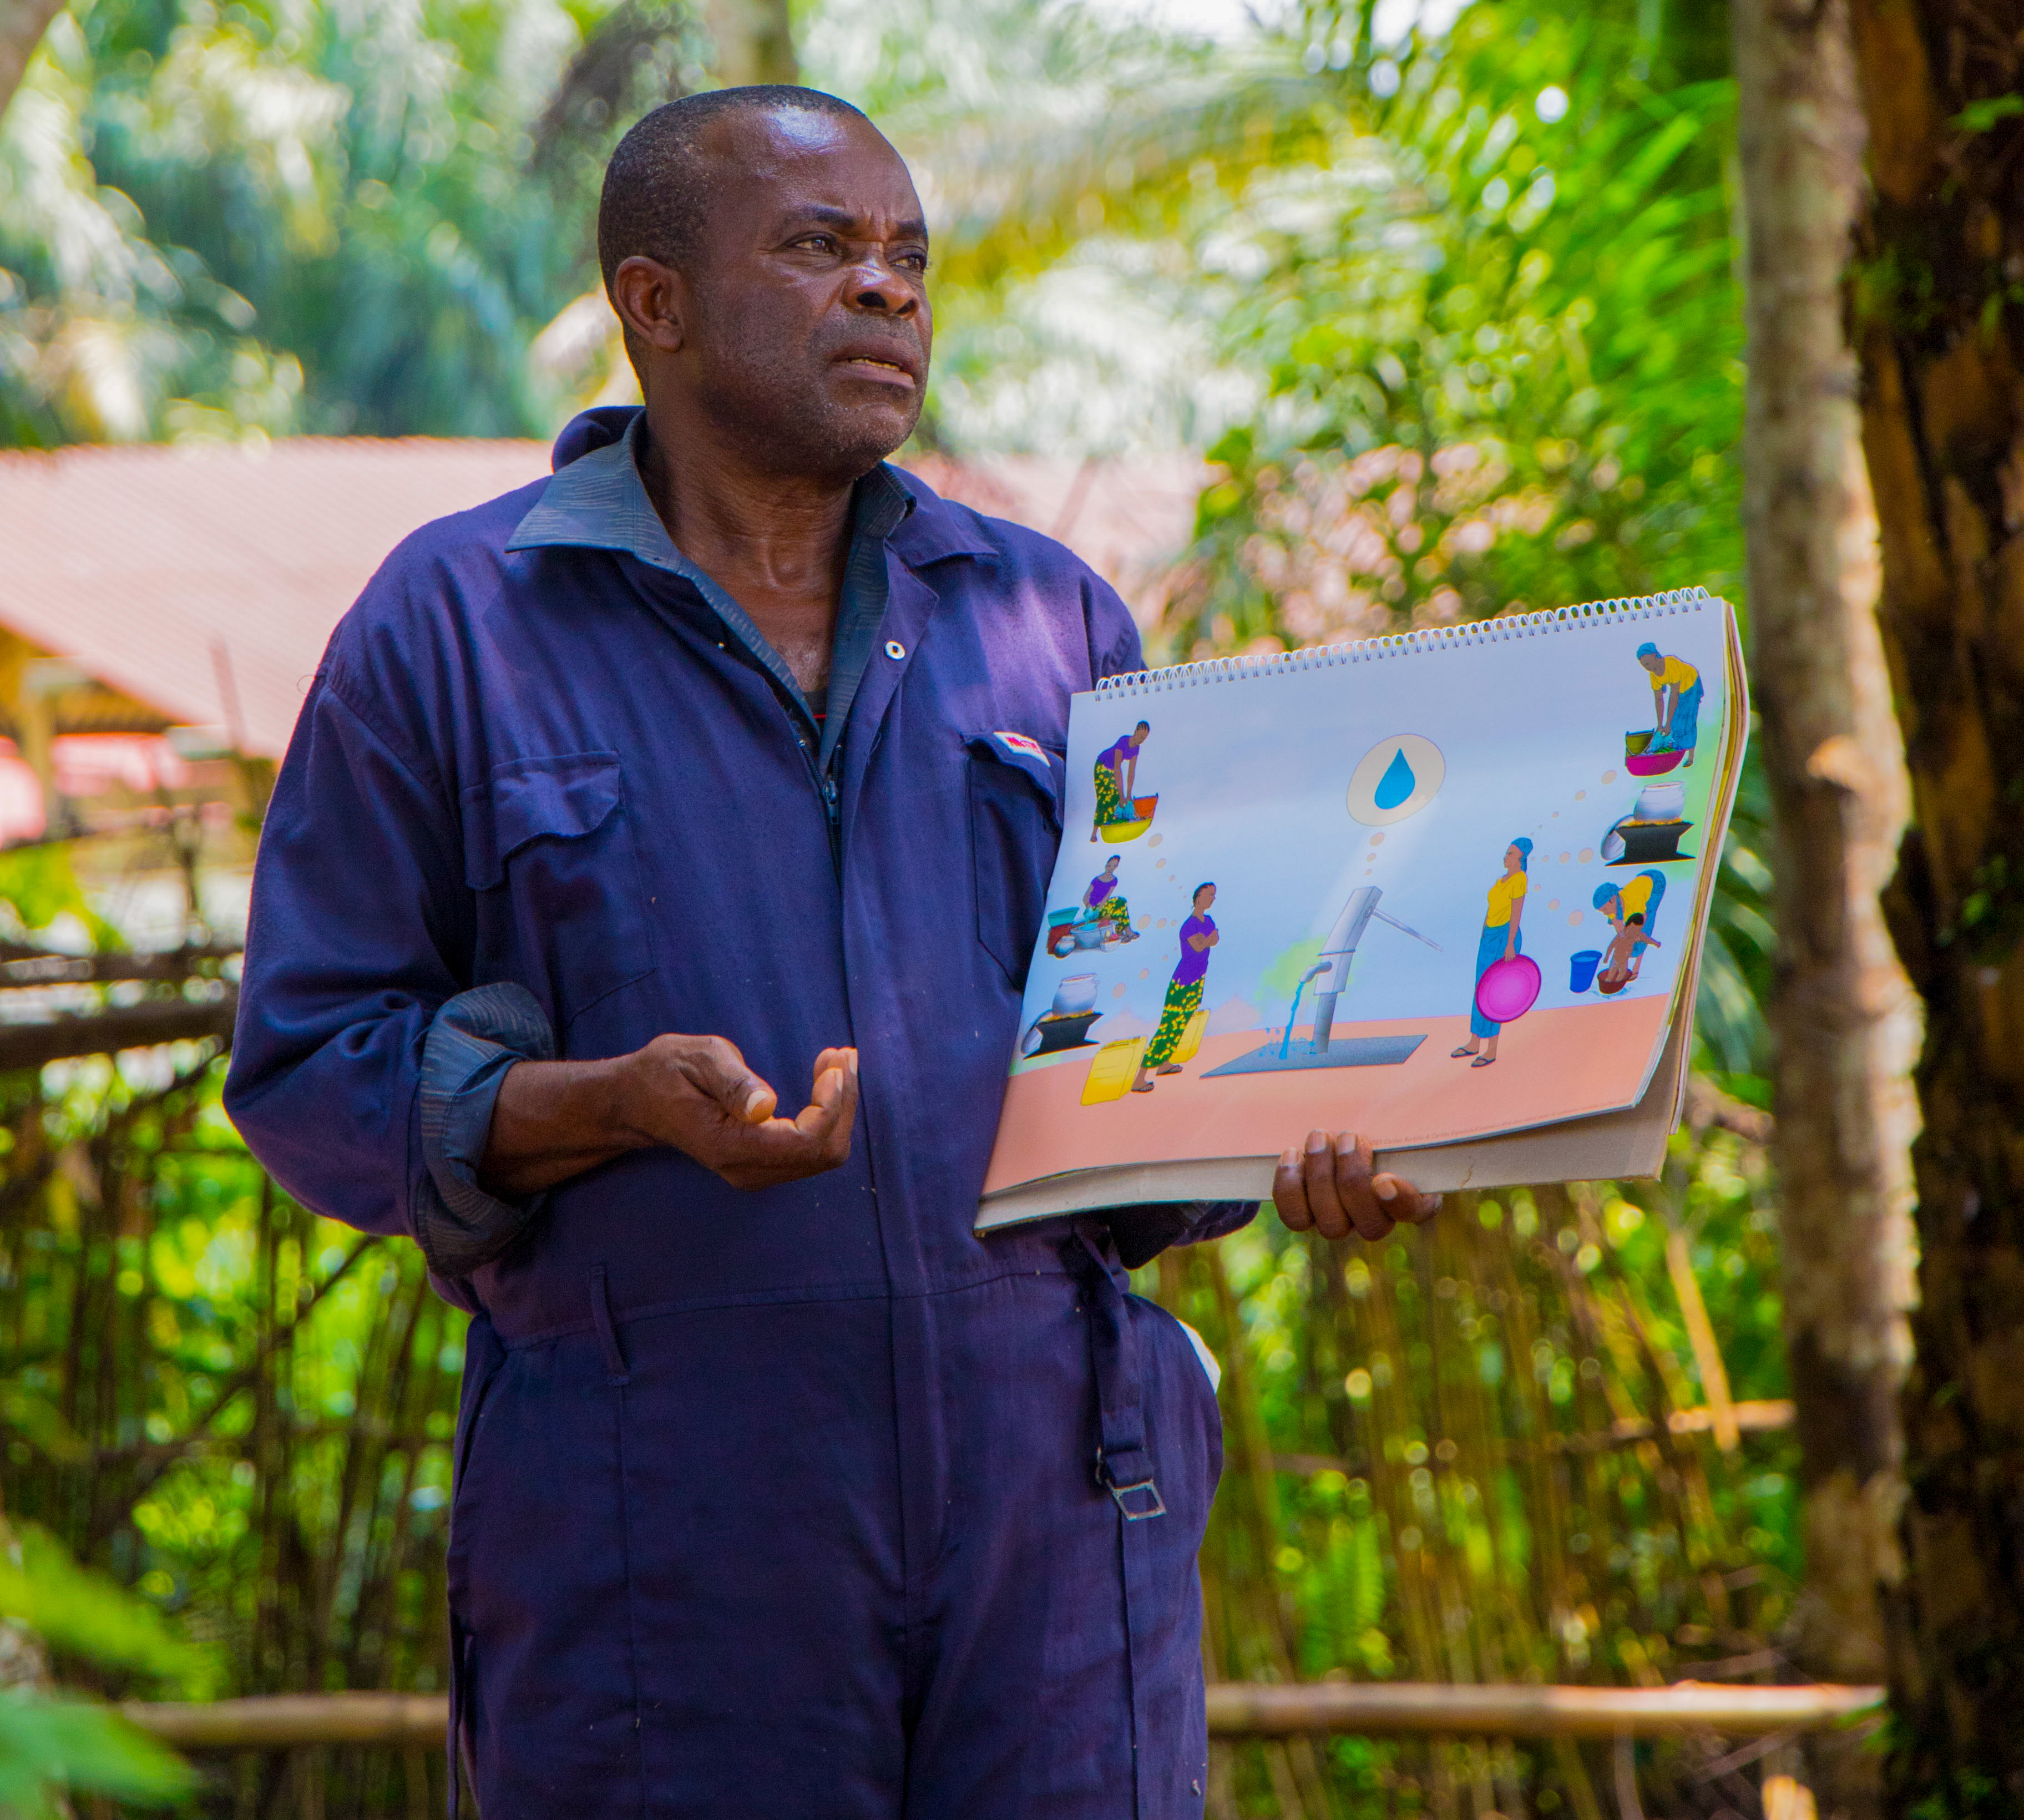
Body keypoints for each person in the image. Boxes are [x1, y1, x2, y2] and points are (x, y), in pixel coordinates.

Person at [222, 87, 1437, 1819]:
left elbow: (1164, 1056)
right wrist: (608, 1105)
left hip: (1056, 1528)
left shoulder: (1050, 620)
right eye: (820, 245)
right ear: (654, 302)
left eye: (907, 256)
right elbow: (309, 1066)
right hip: (661, 1550)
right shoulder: (459, 624)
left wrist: (1291, 1132)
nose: (886, 287)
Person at [1453, 838, 1531, 1067]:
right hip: (1489, 936)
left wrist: (1510, 944)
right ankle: (1474, 1042)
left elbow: (1516, 913)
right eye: (1506, 853)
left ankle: (1492, 1049)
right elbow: (1491, 910)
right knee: (1480, 987)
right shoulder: (1501, 880)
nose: (1505, 857)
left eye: (1511, 854)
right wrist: (1483, 933)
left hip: (1504, 936)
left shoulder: (1519, 879)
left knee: (1494, 991)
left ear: (1521, 858)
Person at [1134, 883, 1217, 1092]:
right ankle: (1140, 1078)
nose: (1212, 899)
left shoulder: (1208, 921)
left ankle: (1164, 1064)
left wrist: (1206, 940)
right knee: (1168, 1026)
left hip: (1197, 980)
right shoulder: (1189, 926)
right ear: (1198, 898)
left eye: (1213, 896)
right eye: (1209, 895)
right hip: (1183, 982)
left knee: (1180, 1025)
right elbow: (1199, 945)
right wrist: (1206, 940)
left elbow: (1213, 940)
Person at [1636, 641, 1703, 767]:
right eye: (1644, 666)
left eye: (1648, 664)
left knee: (1686, 720)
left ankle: (1691, 757)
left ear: (1655, 656)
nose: (1647, 668)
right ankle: (1677, 749)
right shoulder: (1653, 675)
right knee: (1675, 725)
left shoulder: (1671, 664)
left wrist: (1668, 724)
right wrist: (1660, 725)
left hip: (1691, 685)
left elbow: (1674, 696)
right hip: (1680, 691)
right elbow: (1659, 700)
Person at [1092, 720, 1149, 839]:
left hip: (1112, 769)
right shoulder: (1123, 741)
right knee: (1106, 796)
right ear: (1135, 732)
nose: (1141, 740)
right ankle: (1094, 833)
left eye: (1144, 739)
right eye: (1140, 737)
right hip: (1103, 765)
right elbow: (1117, 768)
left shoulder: (1136, 749)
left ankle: (1110, 822)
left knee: (1115, 797)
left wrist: (1128, 795)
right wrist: (1122, 796)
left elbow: (1131, 772)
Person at [1082, 854, 1138, 942]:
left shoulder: (1114, 880)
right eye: (1109, 866)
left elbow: (1107, 897)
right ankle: (1121, 933)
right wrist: (1090, 908)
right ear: (1106, 865)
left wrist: (1100, 908)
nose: (1111, 869)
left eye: (1114, 866)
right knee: (1120, 903)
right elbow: (1085, 898)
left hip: (1104, 906)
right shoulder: (1097, 880)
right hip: (1093, 910)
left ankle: (1124, 932)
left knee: (1121, 902)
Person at [1598, 912, 1659, 988]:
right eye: (1632, 928)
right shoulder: (1621, 935)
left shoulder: (1636, 935)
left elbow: (1647, 939)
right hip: (1616, 959)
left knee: (1622, 974)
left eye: (1637, 930)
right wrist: (1607, 957)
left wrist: (1656, 943)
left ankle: (1616, 987)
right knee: (1611, 975)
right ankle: (1607, 986)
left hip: (1624, 961)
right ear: (1627, 926)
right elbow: (1611, 946)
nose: (1633, 932)